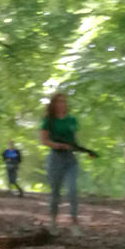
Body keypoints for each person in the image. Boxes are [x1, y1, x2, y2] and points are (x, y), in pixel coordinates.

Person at [40, 91, 84, 232]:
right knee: (55, 192)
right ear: (54, 104)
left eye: (63, 101)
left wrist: (78, 147)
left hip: (70, 159)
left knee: (72, 190)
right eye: (58, 101)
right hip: (55, 159)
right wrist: (57, 145)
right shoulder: (49, 121)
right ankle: (53, 221)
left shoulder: (72, 120)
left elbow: (75, 139)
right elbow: (44, 140)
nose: (61, 104)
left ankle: (74, 223)